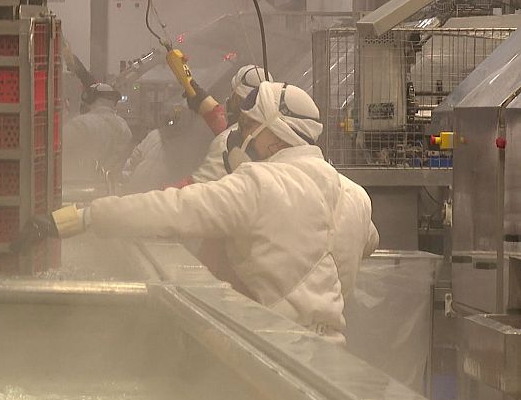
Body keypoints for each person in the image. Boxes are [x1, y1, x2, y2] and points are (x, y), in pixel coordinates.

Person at [30, 82, 379, 345]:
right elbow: (369, 241)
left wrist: (82, 217)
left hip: (272, 350)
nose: (238, 136)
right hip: (331, 357)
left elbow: (171, 211)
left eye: (247, 127)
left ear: (276, 140)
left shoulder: (258, 184)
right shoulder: (357, 197)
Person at [187, 65, 273, 184]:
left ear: (236, 98)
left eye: (232, 92)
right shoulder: (272, 134)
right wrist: (212, 113)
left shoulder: (226, 145)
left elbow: (196, 189)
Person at [62, 83, 133, 181]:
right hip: (111, 189)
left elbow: (59, 151)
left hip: (81, 187)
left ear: (89, 98)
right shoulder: (124, 127)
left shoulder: (80, 124)